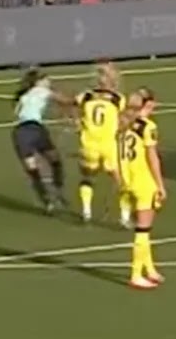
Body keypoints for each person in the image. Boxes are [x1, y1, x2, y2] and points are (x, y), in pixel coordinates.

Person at [118, 89, 167, 290]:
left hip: (129, 179)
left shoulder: (123, 124)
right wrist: (160, 184)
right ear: (148, 104)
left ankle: (149, 268)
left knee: (145, 228)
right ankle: (136, 274)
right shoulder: (148, 127)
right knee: (143, 230)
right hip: (144, 180)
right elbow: (152, 158)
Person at [75, 61, 127, 224]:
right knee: (120, 179)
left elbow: (73, 105)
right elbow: (121, 120)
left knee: (87, 176)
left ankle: (86, 211)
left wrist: (77, 121)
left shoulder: (86, 96)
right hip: (108, 145)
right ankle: (124, 216)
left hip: (89, 142)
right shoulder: (118, 99)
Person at [12, 67, 68, 212]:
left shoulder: (24, 95)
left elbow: (18, 111)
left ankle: (47, 202)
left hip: (20, 133)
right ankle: (58, 191)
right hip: (36, 130)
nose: (49, 82)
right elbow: (66, 100)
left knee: (33, 170)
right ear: (39, 81)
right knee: (55, 161)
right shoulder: (42, 91)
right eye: (47, 79)